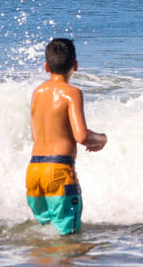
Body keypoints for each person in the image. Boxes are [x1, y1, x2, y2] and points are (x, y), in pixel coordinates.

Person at [26, 38, 107, 235]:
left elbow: (35, 135)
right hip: (58, 172)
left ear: (46, 66)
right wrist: (102, 139)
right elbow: (81, 136)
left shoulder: (38, 92)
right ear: (75, 66)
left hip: (34, 171)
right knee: (68, 237)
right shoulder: (72, 93)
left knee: (46, 234)